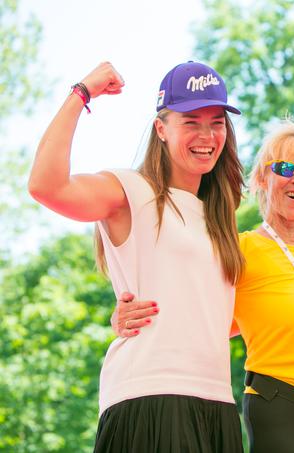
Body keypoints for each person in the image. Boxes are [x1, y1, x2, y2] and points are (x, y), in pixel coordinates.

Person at [113, 119, 294, 452]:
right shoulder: (237, 248)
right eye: (285, 167)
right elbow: (198, 311)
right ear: (262, 178)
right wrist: (125, 315)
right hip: (283, 406)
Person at [28, 61, 245, 452]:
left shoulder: (220, 217)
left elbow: (219, 316)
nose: (207, 135)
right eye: (191, 121)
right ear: (161, 129)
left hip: (218, 402)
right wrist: (82, 93)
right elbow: (47, 186)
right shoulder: (131, 191)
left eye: (217, 122)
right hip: (151, 394)